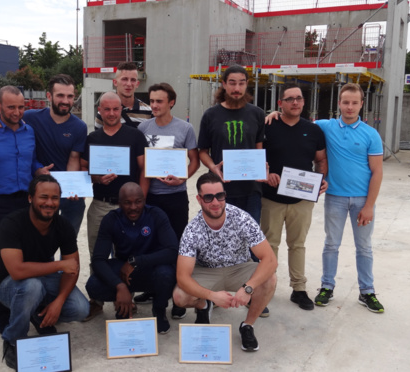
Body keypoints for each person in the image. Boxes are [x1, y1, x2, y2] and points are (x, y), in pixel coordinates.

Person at [266, 83, 384, 313]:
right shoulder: (323, 127)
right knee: (331, 245)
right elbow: (291, 117)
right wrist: (273, 114)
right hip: (335, 197)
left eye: (355, 102)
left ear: (361, 104)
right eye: (346, 102)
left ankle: (367, 291)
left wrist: (369, 205)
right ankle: (327, 287)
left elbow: (377, 171)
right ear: (338, 104)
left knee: (364, 247)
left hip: (362, 199)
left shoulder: (371, 134)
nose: (350, 107)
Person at [0, 85, 50, 334]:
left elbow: (31, 160)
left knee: (31, 255)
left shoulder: (30, 132)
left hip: (25, 202)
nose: (17, 112)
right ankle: (2, 315)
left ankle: (34, 310)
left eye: (21, 107)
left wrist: (39, 169)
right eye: (11, 107)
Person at [173, 172, 277, 352]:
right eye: (208, 197)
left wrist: (248, 288)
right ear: (199, 199)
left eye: (220, 195)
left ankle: (247, 325)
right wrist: (211, 296)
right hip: (207, 271)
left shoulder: (241, 218)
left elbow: (270, 260)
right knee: (179, 296)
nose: (215, 202)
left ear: (225, 195)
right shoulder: (192, 229)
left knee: (270, 278)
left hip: (239, 268)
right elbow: (182, 277)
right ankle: (204, 305)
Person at [0, 175, 90, 370]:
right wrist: (58, 266)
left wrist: (59, 302)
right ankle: (13, 340)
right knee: (32, 286)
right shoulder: (12, 223)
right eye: (43, 197)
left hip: (43, 280)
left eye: (55, 198)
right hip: (10, 286)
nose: (49, 203)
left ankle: (39, 315)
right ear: (30, 198)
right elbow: (17, 271)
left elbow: (72, 269)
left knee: (81, 308)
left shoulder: (63, 225)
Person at [0, 74, 87, 236]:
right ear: (49, 96)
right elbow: (7, 119)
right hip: (40, 193)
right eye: (60, 95)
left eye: (70, 96)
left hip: (68, 194)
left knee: (69, 240)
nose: (65, 100)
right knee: (41, 243)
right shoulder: (30, 118)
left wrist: (72, 188)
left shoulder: (79, 126)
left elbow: (74, 159)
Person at [81, 92, 149, 321]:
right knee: (96, 253)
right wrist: (97, 178)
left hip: (128, 208)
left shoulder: (135, 136)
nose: (111, 113)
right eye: (106, 109)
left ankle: (127, 296)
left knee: (128, 254)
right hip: (101, 204)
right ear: (99, 110)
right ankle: (97, 300)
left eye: (115, 109)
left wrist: (141, 203)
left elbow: (144, 171)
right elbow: (83, 171)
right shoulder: (92, 138)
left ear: (122, 110)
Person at [134, 83, 199, 318]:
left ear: (171, 102)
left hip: (175, 197)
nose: (154, 105)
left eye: (159, 101)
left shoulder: (185, 128)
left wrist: (182, 177)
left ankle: (181, 294)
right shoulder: (143, 127)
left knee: (179, 245)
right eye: (151, 101)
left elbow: (194, 160)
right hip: (151, 196)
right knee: (150, 243)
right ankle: (154, 289)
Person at [260, 84, 328, 311]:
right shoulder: (267, 126)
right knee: (270, 246)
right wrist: (265, 174)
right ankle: (265, 290)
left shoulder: (314, 130)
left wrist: (321, 179)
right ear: (280, 103)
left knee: (297, 245)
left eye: (299, 98)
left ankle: (299, 289)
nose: (295, 103)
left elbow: (320, 161)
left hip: (302, 200)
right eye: (290, 99)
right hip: (271, 198)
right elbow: (257, 156)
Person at [85, 182, 178, 334]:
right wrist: (119, 286)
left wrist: (136, 261)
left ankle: (159, 309)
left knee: (167, 274)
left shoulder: (156, 215)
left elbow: (173, 250)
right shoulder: (111, 219)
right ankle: (123, 308)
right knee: (93, 285)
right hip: (123, 272)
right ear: (119, 203)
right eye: (127, 203)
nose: (133, 207)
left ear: (144, 200)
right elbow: (98, 260)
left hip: (151, 268)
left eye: (138, 202)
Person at [198, 65, 265, 254]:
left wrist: (261, 167)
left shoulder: (257, 114)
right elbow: (202, 150)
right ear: (224, 85)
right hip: (221, 189)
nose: (237, 88)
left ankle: (251, 279)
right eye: (232, 83)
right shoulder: (210, 115)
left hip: (251, 189)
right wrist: (214, 168)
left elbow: (259, 148)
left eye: (241, 83)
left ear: (246, 85)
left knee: (252, 238)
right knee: (223, 238)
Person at [95, 61, 152, 130]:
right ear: (115, 82)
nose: (129, 84)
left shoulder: (149, 112)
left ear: (137, 84)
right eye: (124, 79)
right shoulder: (104, 112)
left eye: (133, 80)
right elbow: (98, 139)